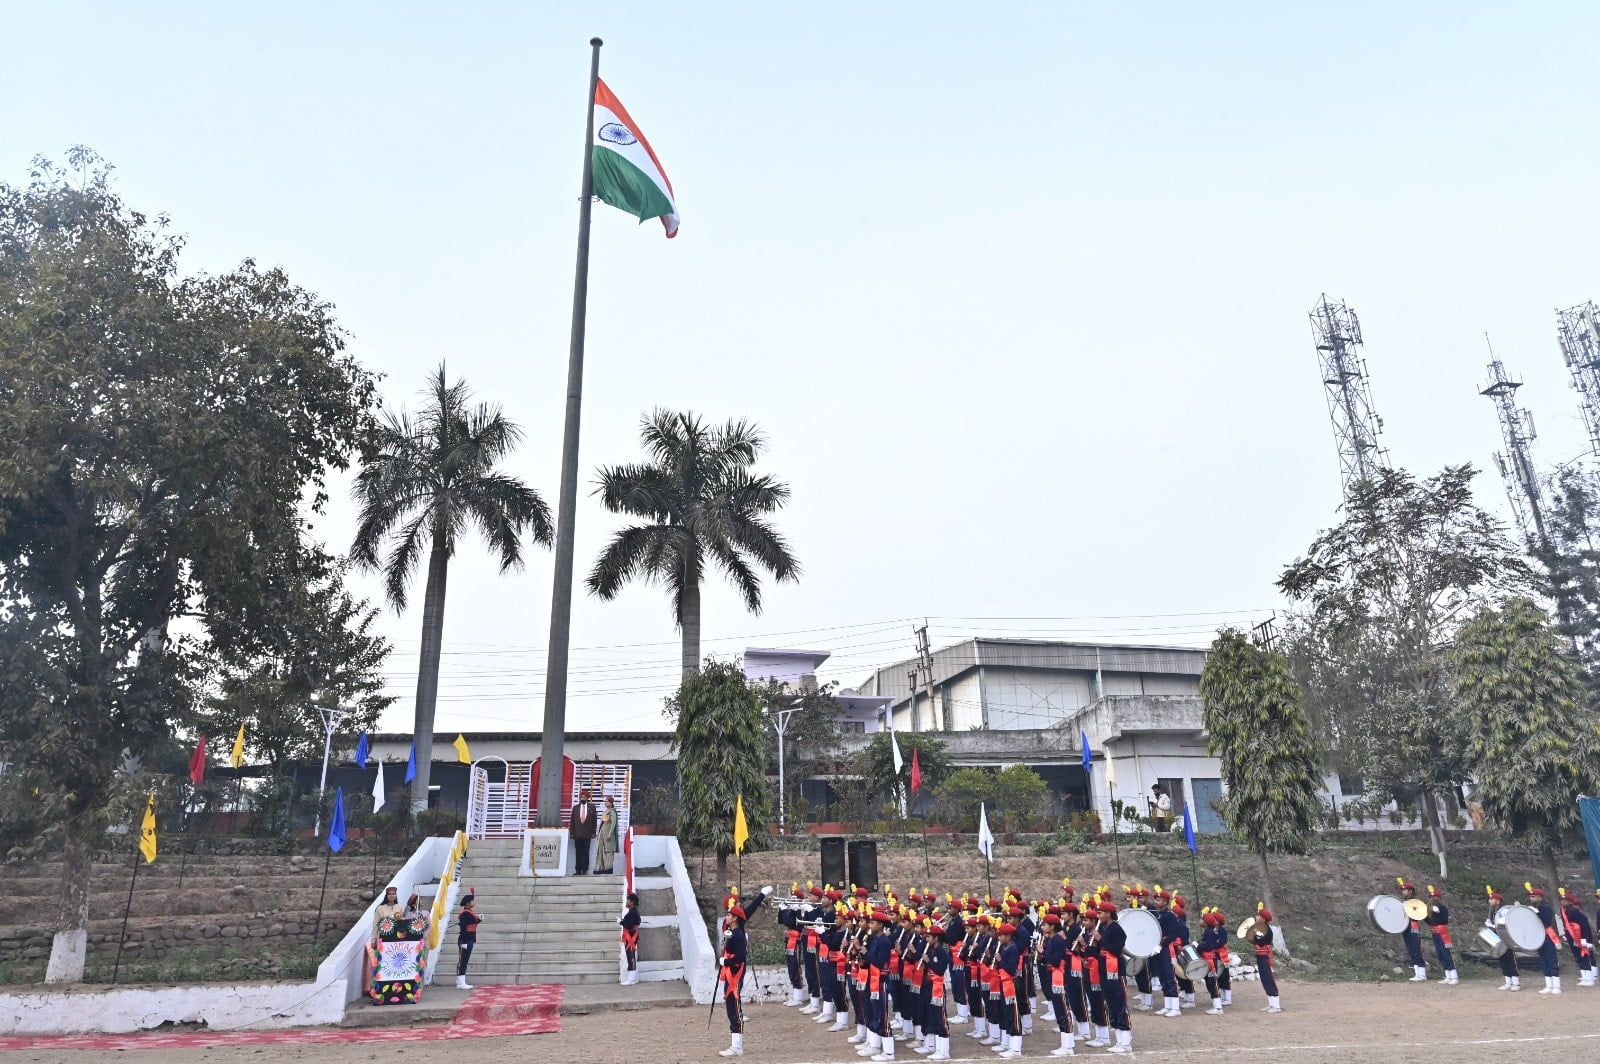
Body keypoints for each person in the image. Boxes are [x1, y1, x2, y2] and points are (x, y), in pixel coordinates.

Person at [719, 905, 749, 1057]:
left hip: (735, 974)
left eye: (729, 915)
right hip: (731, 972)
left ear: (735, 918)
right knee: (731, 1007)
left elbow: (741, 957)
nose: (726, 917)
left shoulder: (738, 935)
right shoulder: (734, 932)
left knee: (735, 1009)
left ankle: (737, 1046)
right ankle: (735, 1044)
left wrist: (727, 962)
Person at [1527, 883, 1563, 994]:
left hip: (1547, 935)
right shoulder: (1533, 908)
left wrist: (1537, 913)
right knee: (1543, 960)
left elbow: (1546, 921)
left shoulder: (1546, 908)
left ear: (1540, 897)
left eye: (1533, 896)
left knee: (1551, 959)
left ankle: (1556, 986)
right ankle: (1549, 985)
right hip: (1538, 936)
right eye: (1530, 896)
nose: (1531, 898)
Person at [1485, 886, 1520, 991]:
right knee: (1502, 959)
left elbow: (1504, 924)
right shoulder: (1493, 911)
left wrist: (1492, 926)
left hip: (1506, 938)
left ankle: (1516, 983)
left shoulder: (1504, 910)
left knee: (1510, 959)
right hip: (1498, 938)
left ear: (1498, 901)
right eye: (1489, 899)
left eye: (1492, 899)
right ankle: (1508, 981)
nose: (1489, 901)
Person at [1558, 888, 1595, 988]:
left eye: (1565, 901)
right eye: (1561, 900)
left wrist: (1584, 939)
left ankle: (1590, 978)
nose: (1563, 902)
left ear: (1570, 902)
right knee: (1577, 956)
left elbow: (1584, 925)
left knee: (1584, 956)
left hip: (1579, 936)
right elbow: (1566, 925)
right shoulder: (1563, 912)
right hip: (1571, 936)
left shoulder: (1575, 912)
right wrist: (1566, 935)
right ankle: (1584, 977)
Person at [1423, 885, 1458, 985]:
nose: (1432, 899)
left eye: (1434, 897)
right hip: (1435, 933)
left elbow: (1444, 920)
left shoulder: (1443, 909)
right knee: (1440, 955)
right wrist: (1425, 916)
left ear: (1438, 898)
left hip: (1442, 933)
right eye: (1431, 897)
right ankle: (1447, 975)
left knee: (1446, 954)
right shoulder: (1431, 910)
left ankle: (1454, 976)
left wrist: (1438, 912)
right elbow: (1430, 922)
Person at [1250, 906, 1281, 1013]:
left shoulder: (1267, 930)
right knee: (1264, 979)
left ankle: (1276, 1006)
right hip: (1260, 957)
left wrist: (1254, 933)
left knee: (1268, 979)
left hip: (1265, 957)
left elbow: (1261, 941)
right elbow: (1255, 941)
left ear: (1263, 919)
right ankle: (1271, 1004)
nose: (1256, 916)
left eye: (1258, 915)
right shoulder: (1260, 928)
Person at [1397, 878, 1429, 981]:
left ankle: (1422, 974)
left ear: (1411, 891)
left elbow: (1419, 914)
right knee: (1410, 950)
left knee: (1416, 949)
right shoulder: (1404, 902)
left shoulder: (1416, 902)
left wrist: (1408, 907)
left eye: (1405, 890)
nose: (1403, 892)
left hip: (1413, 926)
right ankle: (1417, 973)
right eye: (1403, 890)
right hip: (1405, 926)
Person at [568, 787, 598, 875]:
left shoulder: (592, 807)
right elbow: (572, 821)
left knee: (586, 851)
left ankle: (585, 869)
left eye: (584, 797)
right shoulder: (575, 808)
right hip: (577, 833)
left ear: (587, 798)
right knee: (578, 852)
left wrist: (593, 832)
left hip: (587, 834)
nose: (583, 799)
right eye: (581, 797)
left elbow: (594, 821)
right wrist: (572, 833)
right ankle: (578, 869)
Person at [455, 892, 481, 990]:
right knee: (463, 961)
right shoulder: (465, 913)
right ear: (468, 903)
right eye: (472, 900)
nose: (474, 902)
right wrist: (464, 942)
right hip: (465, 939)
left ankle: (459, 981)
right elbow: (464, 928)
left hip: (470, 938)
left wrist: (479, 920)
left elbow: (473, 922)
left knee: (464, 960)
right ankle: (461, 982)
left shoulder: (469, 912)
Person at [619, 891, 642, 985]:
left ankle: (631, 979)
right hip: (630, 935)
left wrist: (621, 922)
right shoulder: (632, 911)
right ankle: (631, 977)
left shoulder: (633, 912)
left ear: (631, 902)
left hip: (631, 936)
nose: (626, 902)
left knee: (631, 956)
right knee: (630, 955)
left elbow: (630, 925)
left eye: (628, 900)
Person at [596, 794, 619, 874]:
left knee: (608, 852)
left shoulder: (612, 812)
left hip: (609, 836)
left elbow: (613, 823)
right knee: (601, 851)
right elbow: (603, 823)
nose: (605, 803)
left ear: (611, 803)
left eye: (607, 801)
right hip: (602, 834)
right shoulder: (605, 812)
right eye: (605, 802)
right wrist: (598, 833)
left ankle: (608, 870)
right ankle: (601, 869)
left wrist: (610, 833)